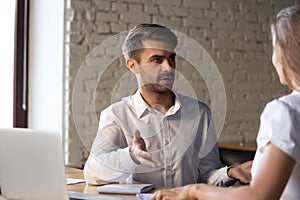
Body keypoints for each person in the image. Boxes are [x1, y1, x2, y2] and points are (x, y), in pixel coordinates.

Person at [151, 5, 300, 200]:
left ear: (288, 54)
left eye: (275, 48)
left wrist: (192, 191)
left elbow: (258, 196)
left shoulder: (285, 111)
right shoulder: (116, 114)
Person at [83, 23, 251, 188]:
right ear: (132, 65)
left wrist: (228, 173)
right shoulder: (117, 114)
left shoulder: (200, 114)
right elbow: (92, 172)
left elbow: (206, 175)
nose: (168, 67)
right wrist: (131, 156)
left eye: (171, 58)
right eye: (157, 60)